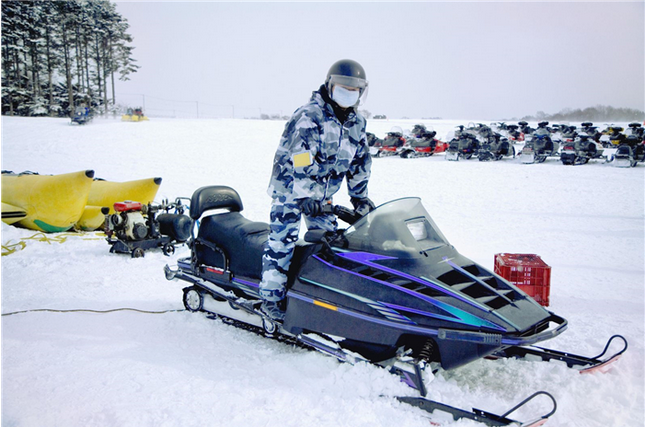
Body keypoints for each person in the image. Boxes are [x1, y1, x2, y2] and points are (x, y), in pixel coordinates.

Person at [259, 59, 375, 321]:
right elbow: (300, 158)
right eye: (343, 87)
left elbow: (359, 162)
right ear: (330, 86)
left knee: (330, 241)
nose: (348, 93)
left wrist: (360, 197)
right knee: (282, 241)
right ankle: (271, 300)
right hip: (291, 187)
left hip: (322, 195)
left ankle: (321, 295)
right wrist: (305, 195)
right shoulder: (310, 115)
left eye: (354, 89)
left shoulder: (356, 123)